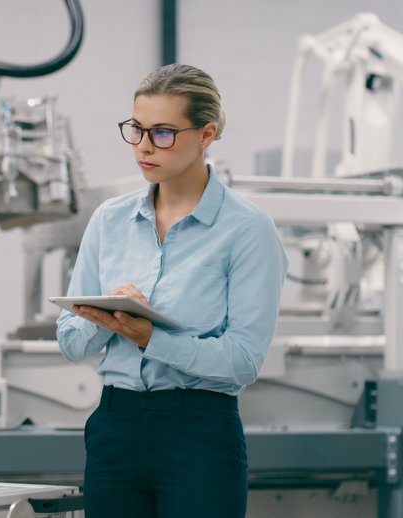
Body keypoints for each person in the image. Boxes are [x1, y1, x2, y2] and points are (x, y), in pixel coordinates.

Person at [56, 63, 288, 518]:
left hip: (198, 434)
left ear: (206, 134)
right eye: (137, 129)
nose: (144, 146)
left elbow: (243, 361)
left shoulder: (247, 229)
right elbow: (69, 342)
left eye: (163, 133)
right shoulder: (110, 219)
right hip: (114, 428)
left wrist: (149, 337)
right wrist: (108, 319)